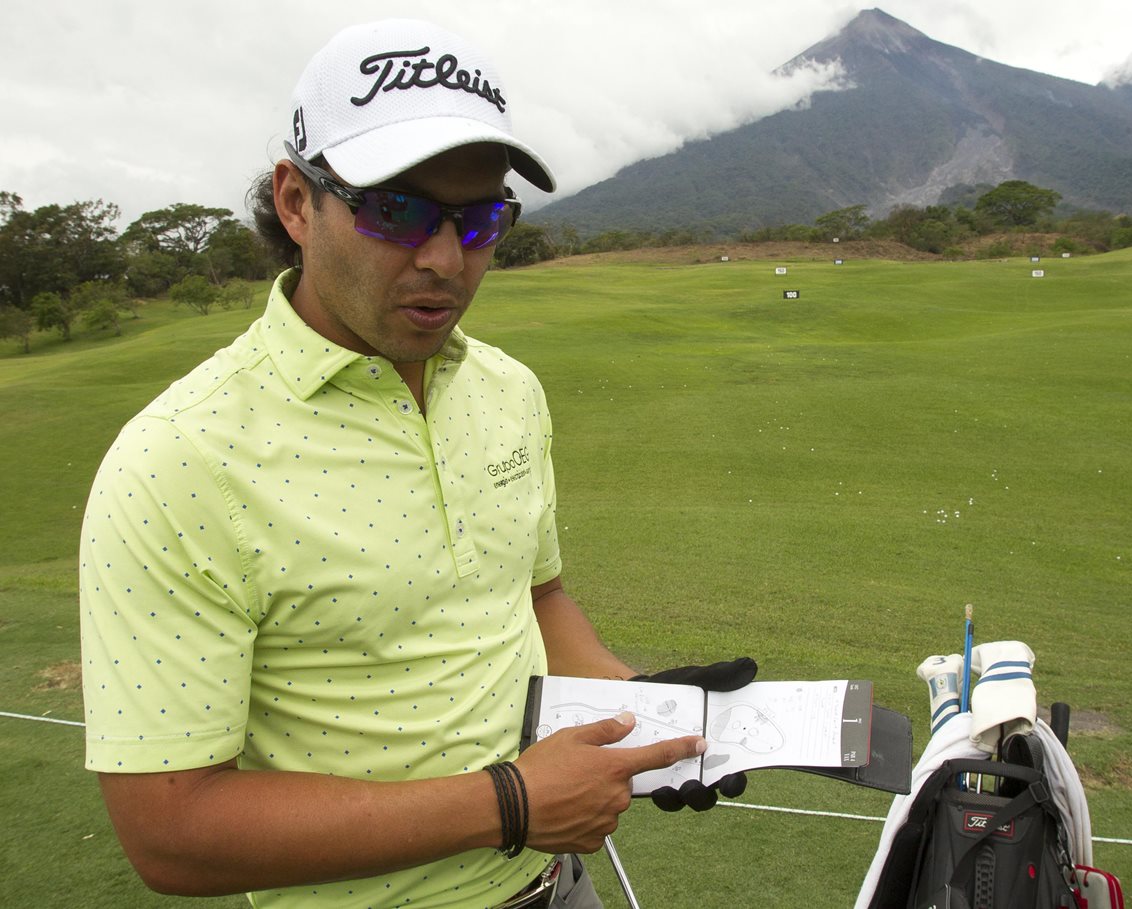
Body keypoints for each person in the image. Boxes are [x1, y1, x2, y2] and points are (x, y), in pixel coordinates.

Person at [79, 19, 755, 909]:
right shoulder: (178, 462)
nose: (444, 259)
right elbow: (173, 834)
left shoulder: (508, 390)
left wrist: (642, 711)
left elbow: (535, 597)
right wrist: (510, 802)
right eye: (395, 210)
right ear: (295, 201)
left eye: (479, 221)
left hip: (559, 885)